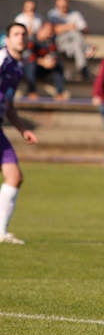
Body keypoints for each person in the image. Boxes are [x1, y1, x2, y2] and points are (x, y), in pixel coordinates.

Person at [0, 23, 39, 244]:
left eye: (23, 34)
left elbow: (9, 104)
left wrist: (23, 129)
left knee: (14, 177)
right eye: (16, 34)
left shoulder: (17, 67)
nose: (21, 38)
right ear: (7, 39)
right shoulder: (2, 58)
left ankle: (1, 233)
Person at [47, 0, 95, 80]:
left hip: (72, 46)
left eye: (64, 6)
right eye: (59, 6)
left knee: (77, 44)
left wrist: (67, 27)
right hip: (60, 43)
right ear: (56, 6)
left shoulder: (75, 14)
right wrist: (70, 26)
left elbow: (85, 29)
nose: (62, 8)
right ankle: (87, 49)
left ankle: (82, 68)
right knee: (75, 33)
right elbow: (53, 30)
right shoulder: (53, 14)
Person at [22, 21, 67, 100]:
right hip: (29, 69)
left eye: (51, 31)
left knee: (58, 65)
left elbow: (54, 54)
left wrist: (51, 61)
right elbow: (27, 56)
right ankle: (32, 91)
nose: (49, 33)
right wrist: (42, 62)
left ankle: (59, 93)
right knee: (30, 63)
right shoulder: (31, 39)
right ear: (40, 30)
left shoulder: (50, 41)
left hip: (44, 68)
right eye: (47, 31)